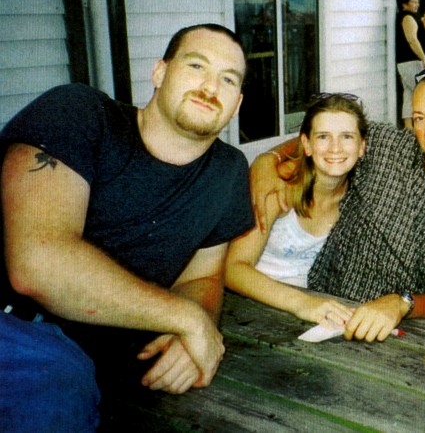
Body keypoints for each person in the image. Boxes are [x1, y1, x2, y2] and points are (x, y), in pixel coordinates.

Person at [0, 24, 254, 430]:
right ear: (159, 72)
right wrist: (187, 320)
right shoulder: (79, 113)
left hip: (103, 365)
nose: (210, 87)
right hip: (15, 329)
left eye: (228, 79)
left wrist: (195, 331)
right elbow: (38, 263)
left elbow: (202, 275)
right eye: (196, 66)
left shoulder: (228, 171)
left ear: (237, 103)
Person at [248, 66, 425, 342]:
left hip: (397, 334)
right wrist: (267, 159)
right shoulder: (387, 145)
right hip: (318, 305)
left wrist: (402, 303)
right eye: (419, 118)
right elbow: (324, 137)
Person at [225, 94, 367, 328]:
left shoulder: (358, 195)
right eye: (323, 137)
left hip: (311, 311)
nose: (335, 148)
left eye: (347, 137)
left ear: (362, 147)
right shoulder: (279, 189)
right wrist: (302, 303)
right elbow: (234, 269)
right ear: (307, 145)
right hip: (251, 307)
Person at [396, 0, 425, 128]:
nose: (417, 4)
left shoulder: (408, 16)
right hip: (413, 62)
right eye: (414, 2)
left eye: (418, 2)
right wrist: (424, 59)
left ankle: (408, 129)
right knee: (422, 94)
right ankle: (421, 126)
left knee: (409, 95)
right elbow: (412, 40)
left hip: (406, 63)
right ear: (404, 4)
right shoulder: (407, 17)